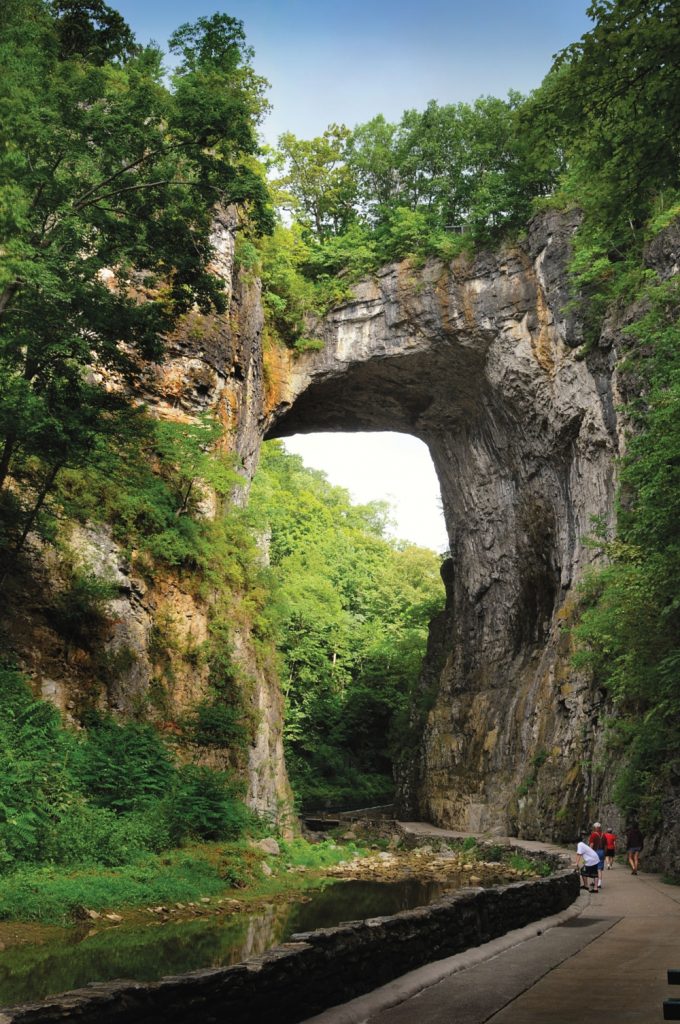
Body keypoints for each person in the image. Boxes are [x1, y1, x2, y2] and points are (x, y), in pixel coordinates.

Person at [588, 821, 606, 889]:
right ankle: (599, 883)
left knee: (594, 868)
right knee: (599, 868)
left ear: (595, 828)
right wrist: (604, 853)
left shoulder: (593, 834)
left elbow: (591, 844)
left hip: (595, 852)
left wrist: (589, 853)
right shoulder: (603, 835)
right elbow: (606, 845)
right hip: (602, 852)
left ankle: (595, 882)